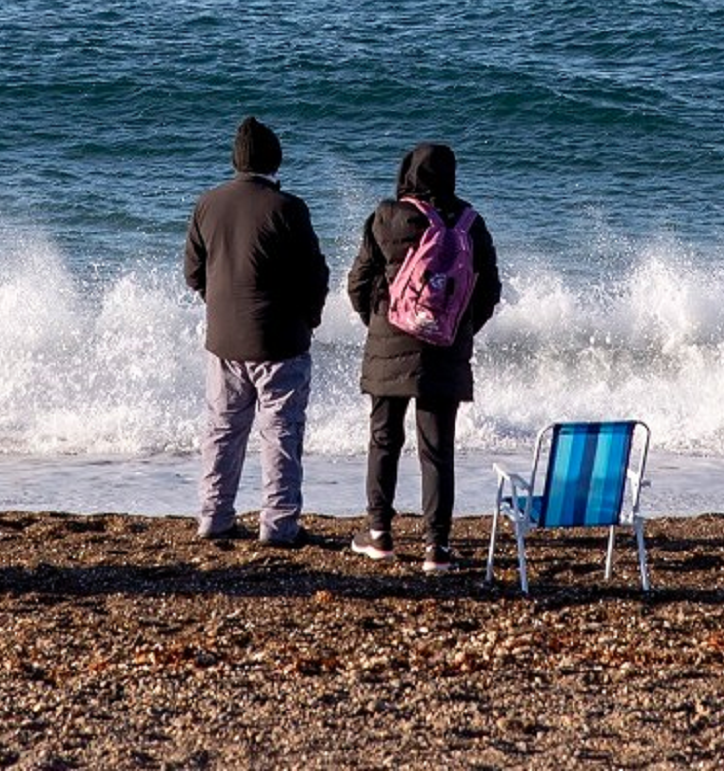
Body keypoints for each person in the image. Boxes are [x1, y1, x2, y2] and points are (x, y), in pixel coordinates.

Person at [345, 143, 501, 573]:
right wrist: (457, 331)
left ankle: (379, 534)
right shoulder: (471, 223)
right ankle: (437, 547)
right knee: (437, 449)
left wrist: (378, 323)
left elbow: (358, 281)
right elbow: (488, 293)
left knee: (383, 439)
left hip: (388, 344)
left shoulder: (386, 217)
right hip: (445, 350)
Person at [182, 117, 331, 546]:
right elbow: (314, 275)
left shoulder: (208, 204)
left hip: (224, 339)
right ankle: (279, 525)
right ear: (275, 159)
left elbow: (193, 272)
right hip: (280, 339)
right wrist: (310, 318)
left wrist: (221, 305)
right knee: (281, 431)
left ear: (236, 160)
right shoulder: (288, 208)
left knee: (223, 430)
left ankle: (214, 515)